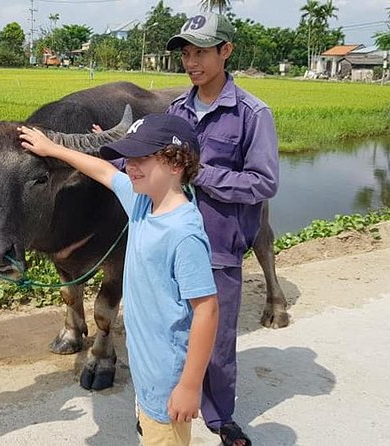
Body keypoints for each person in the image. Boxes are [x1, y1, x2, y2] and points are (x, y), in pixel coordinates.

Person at [19, 113, 219, 446]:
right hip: (145, 365)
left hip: (167, 374)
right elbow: (105, 171)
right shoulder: (142, 203)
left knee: (162, 437)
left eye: (142, 158)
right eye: (130, 157)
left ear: (176, 163)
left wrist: (189, 385)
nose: (130, 166)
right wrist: (52, 149)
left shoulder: (184, 234)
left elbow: (207, 310)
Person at [165, 12, 280, 446]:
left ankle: (218, 417)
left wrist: (202, 174)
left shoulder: (252, 113)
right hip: (173, 240)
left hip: (219, 245)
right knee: (172, 330)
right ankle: (167, 407)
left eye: (201, 52)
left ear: (225, 51)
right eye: (186, 53)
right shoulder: (177, 109)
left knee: (215, 337)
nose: (191, 62)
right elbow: (156, 161)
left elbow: (263, 182)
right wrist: (109, 147)